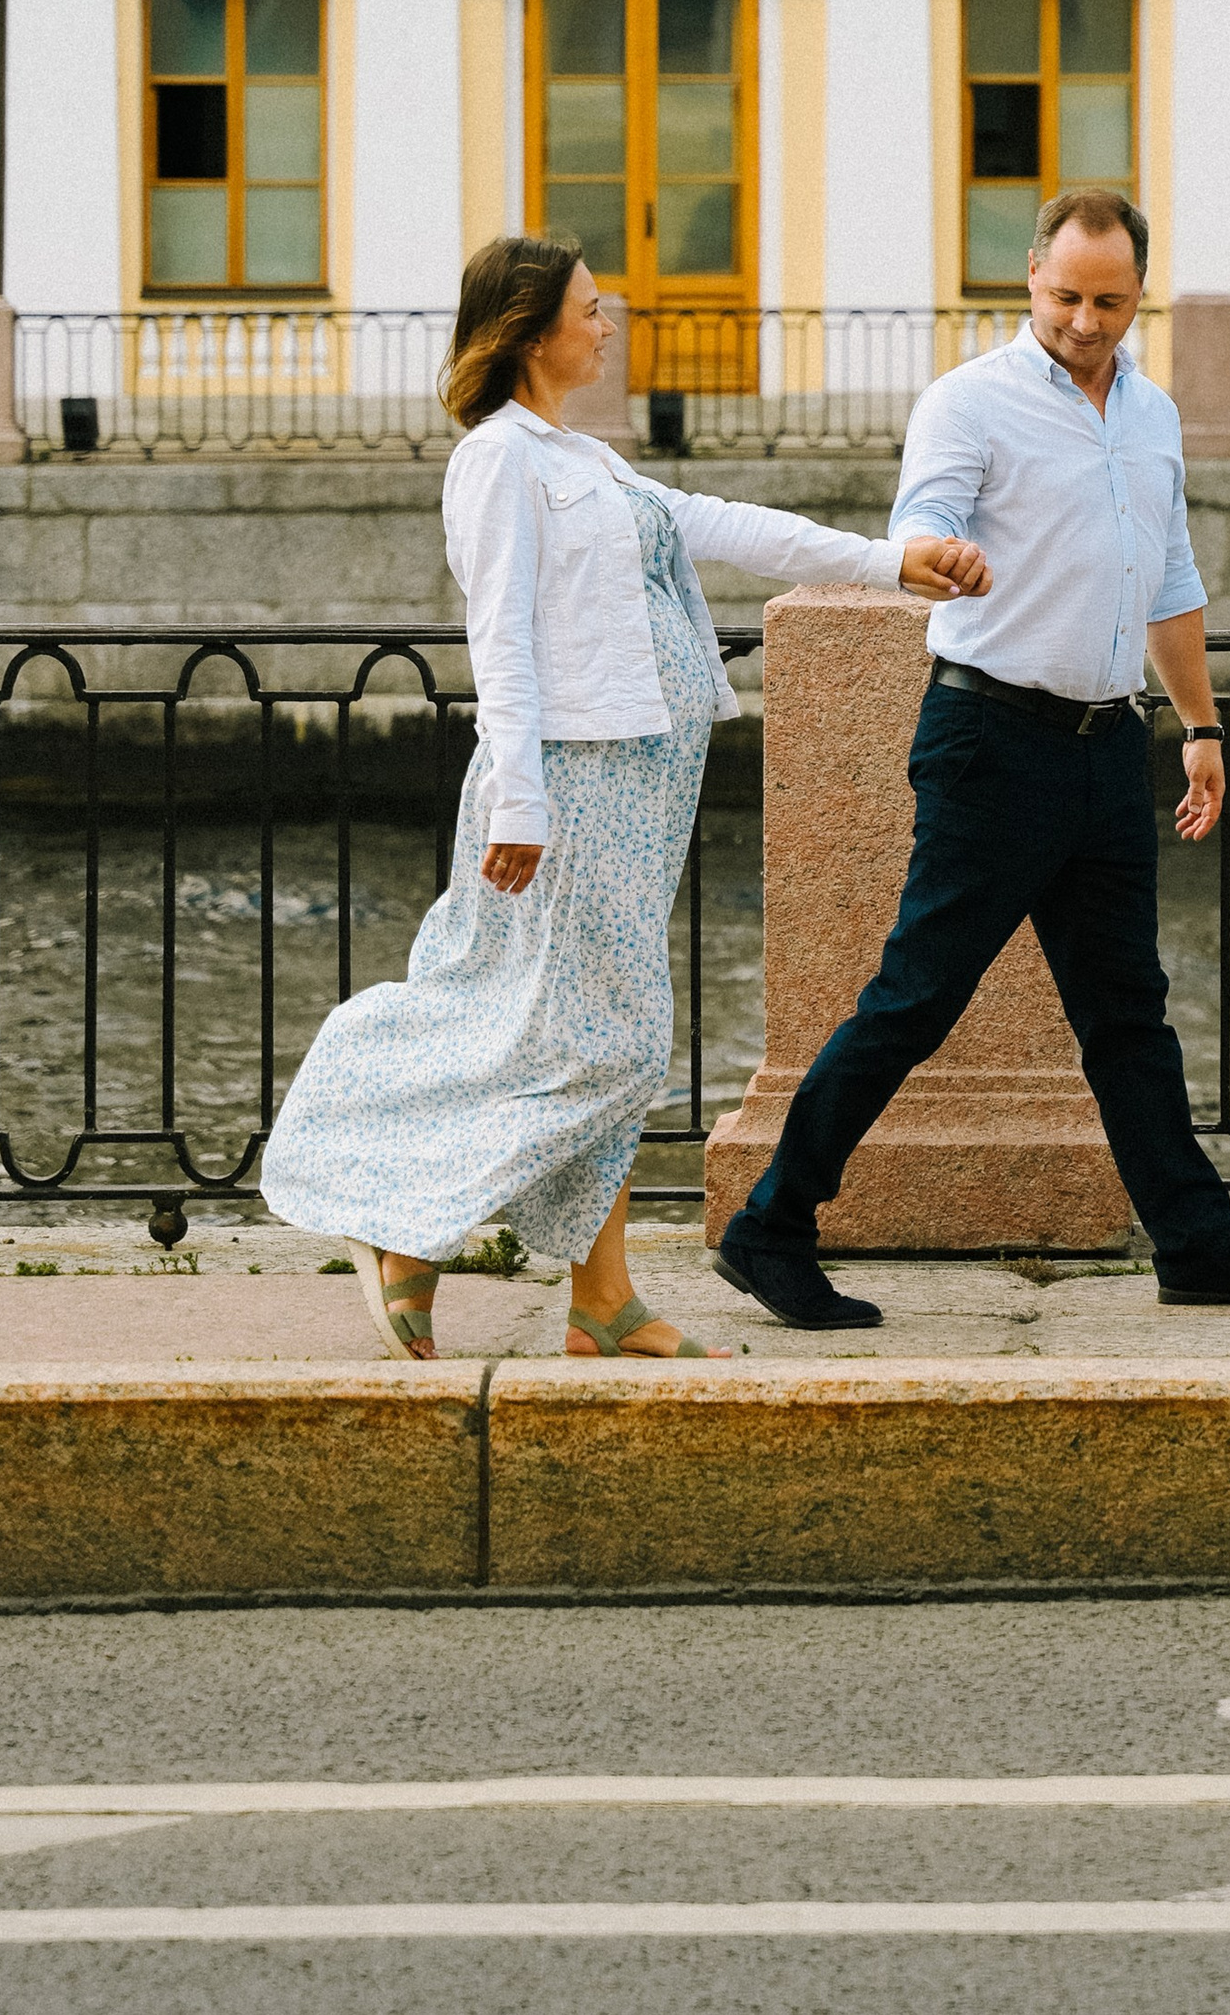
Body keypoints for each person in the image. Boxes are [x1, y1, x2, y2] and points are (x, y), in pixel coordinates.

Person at [259, 234, 989, 1361]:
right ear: (529, 328)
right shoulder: (500, 458)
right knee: (599, 1033)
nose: (607, 327)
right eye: (590, 310)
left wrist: (895, 560)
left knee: (595, 1029)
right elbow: (497, 637)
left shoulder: (583, 459)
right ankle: (410, 1225)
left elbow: (732, 529)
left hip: (642, 775)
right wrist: (519, 803)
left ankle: (599, 1299)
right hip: (571, 779)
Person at [712, 184, 1230, 1330]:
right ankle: (770, 1227)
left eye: (1109, 300)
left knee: (1127, 1016)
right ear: (1030, 280)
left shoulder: (1151, 415)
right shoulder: (971, 402)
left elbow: (1169, 581)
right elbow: (923, 516)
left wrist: (1201, 728)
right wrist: (936, 554)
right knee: (915, 998)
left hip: (1112, 750)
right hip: (992, 739)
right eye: (1067, 297)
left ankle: (1196, 1245)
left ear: (1139, 292)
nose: (1087, 321)